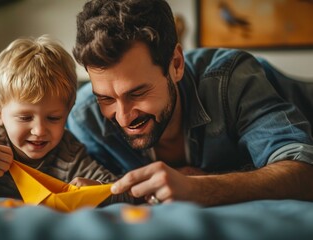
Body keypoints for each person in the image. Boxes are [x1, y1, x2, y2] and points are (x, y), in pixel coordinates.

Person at [67, 0, 313, 206]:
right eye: (106, 99)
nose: (123, 117)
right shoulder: (85, 120)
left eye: (137, 93)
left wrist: (202, 188)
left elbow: (304, 171)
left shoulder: (231, 79)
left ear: (176, 64)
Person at [0, 36, 135, 205]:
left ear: (67, 112)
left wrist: (96, 188)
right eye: (25, 117)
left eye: (53, 118)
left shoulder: (68, 152)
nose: (40, 130)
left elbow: (123, 191)